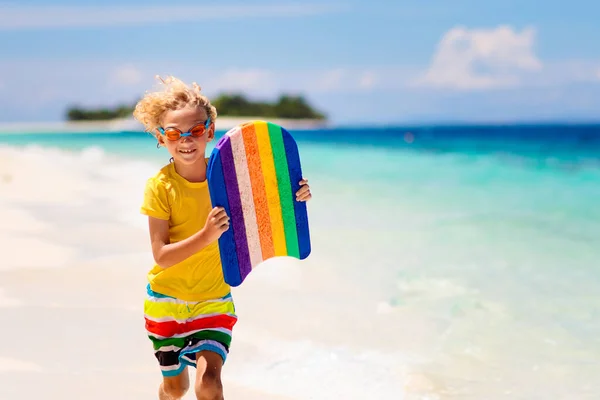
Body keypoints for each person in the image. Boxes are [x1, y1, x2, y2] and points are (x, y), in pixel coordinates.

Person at [133, 76, 312, 400]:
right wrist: (205, 236)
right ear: (161, 137)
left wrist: (294, 196)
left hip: (214, 299)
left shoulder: (227, 174)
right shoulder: (160, 187)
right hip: (166, 303)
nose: (186, 140)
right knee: (176, 389)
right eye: (174, 133)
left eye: (196, 131)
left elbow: (266, 200)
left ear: (210, 132)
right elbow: (161, 255)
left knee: (210, 385)